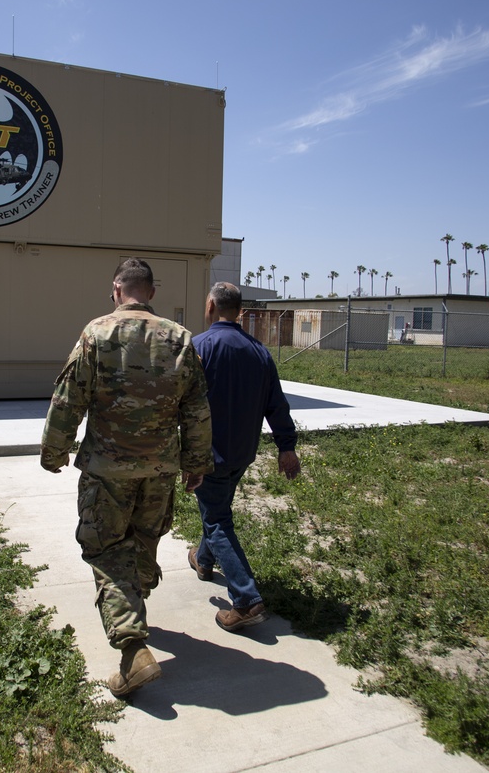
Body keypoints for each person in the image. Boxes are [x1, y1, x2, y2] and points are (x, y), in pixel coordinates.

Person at [40, 258, 213, 698]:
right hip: (159, 471)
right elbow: (196, 410)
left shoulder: (97, 333)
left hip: (107, 470)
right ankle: (136, 609)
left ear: (116, 289)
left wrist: (54, 450)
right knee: (143, 544)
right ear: (151, 292)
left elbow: (68, 398)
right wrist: (196, 461)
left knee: (106, 551)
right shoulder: (180, 338)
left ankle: (132, 648)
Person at [188, 281, 301, 632]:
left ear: (210, 306)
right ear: (239, 311)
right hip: (241, 454)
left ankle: (246, 600)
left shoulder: (198, 347)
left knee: (218, 520)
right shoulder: (259, 352)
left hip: (207, 455)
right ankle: (203, 560)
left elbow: (177, 402)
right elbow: (276, 404)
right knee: (217, 510)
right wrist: (286, 446)